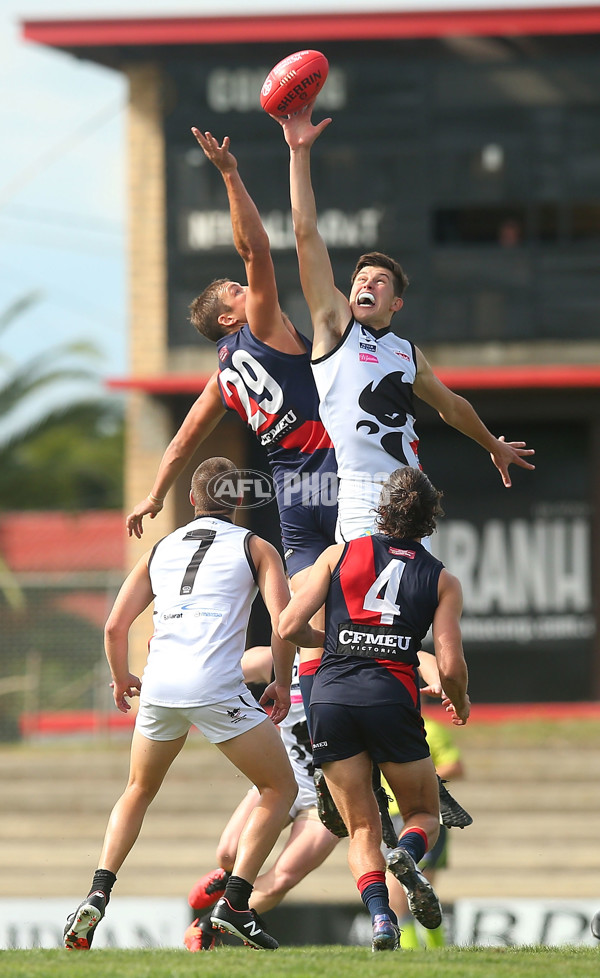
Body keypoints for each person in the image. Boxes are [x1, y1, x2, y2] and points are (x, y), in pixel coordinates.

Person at [125, 126, 336, 718]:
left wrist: (152, 496)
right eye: (237, 291)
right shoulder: (262, 327)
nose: (248, 289)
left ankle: (313, 719)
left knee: (304, 614)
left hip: (294, 490)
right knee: (380, 588)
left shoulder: (222, 376)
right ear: (227, 317)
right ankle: (388, 709)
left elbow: (180, 443)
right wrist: (229, 173)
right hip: (333, 467)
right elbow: (257, 250)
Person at [63, 457, 297, 952]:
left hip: (160, 687)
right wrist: (281, 680)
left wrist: (121, 676)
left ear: (191, 501)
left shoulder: (162, 548)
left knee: (137, 790)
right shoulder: (256, 546)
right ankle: (235, 903)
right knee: (280, 787)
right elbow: (283, 623)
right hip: (215, 686)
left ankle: (97, 894)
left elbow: (113, 627)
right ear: (237, 499)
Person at [277, 104, 535, 542]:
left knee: (419, 604)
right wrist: (298, 153)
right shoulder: (336, 325)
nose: (367, 283)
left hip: (413, 495)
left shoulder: (405, 352)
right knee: (359, 605)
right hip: (361, 494)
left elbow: (452, 406)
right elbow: (305, 232)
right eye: (361, 277)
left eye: (379, 281)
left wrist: (494, 445)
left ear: (395, 303)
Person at [279, 466, 470, 953]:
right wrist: (459, 699)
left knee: (361, 826)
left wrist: (339, 643)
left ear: (383, 510)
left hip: (331, 698)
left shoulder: (338, 553)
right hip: (392, 697)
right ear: (431, 520)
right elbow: (449, 666)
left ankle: (381, 919)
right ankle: (406, 856)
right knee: (425, 812)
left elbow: (287, 625)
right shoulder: (442, 579)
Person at [182, 646, 340, 951]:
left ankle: (207, 925)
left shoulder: (353, 659)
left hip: (331, 798)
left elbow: (418, 659)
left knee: (282, 878)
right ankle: (228, 874)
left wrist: (437, 677)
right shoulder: (276, 661)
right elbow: (208, 671)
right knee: (228, 852)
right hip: (283, 780)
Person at [384, 714, 466, 948]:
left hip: (424, 812)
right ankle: (411, 947)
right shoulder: (376, 727)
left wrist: (418, 779)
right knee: (395, 882)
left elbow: (455, 766)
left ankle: (434, 945)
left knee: (420, 885)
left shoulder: (430, 730)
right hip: (388, 816)